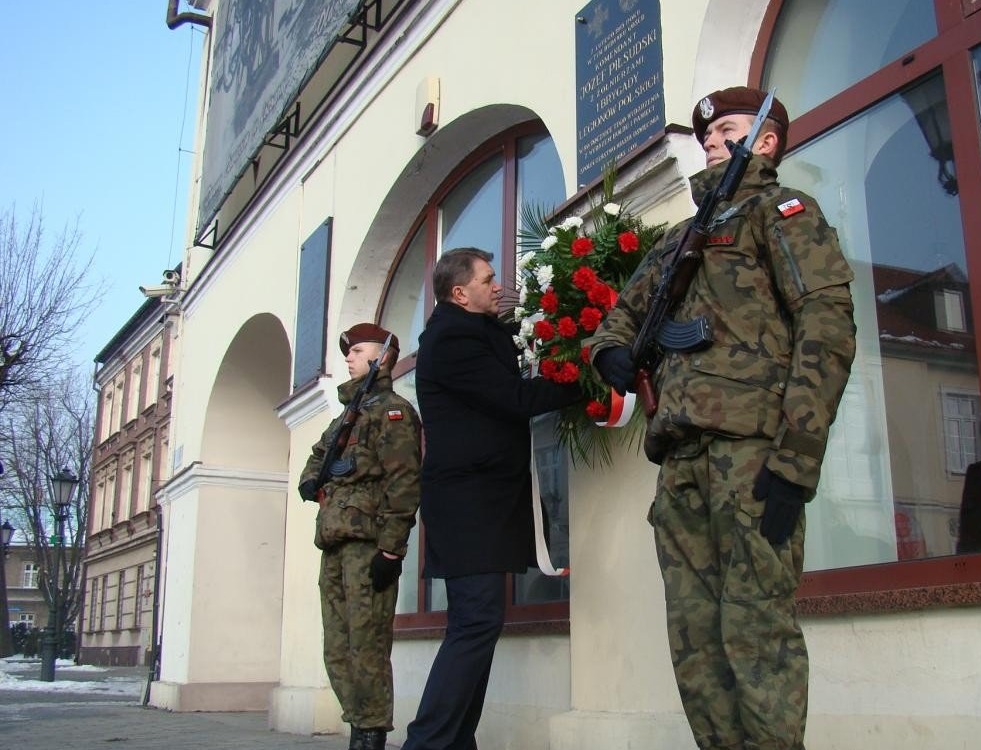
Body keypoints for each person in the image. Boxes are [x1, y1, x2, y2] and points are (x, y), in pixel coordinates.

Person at [587, 86, 857, 750]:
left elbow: (827, 329)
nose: (710, 140)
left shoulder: (782, 212)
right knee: (696, 640)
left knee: (756, 631)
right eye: (705, 133)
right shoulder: (683, 237)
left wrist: (796, 461)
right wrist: (612, 354)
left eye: (726, 129)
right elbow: (617, 320)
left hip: (753, 454)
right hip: (681, 461)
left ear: (765, 141)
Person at [401, 247, 582, 750]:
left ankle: (454, 742)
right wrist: (585, 381)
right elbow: (515, 399)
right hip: (468, 502)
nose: (497, 284)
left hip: (480, 499)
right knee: (475, 621)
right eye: (487, 278)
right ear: (460, 293)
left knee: (478, 621)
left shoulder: (474, 332)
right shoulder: (454, 338)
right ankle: (428, 742)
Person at [298, 323, 422, 750]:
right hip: (333, 541)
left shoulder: (393, 411)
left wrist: (390, 550)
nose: (348, 358)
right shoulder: (343, 420)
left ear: (382, 356)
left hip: (367, 544)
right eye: (348, 352)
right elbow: (317, 458)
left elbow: (404, 481)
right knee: (338, 647)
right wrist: (311, 479)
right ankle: (357, 723)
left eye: (358, 350)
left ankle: (370, 735)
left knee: (367, 646)